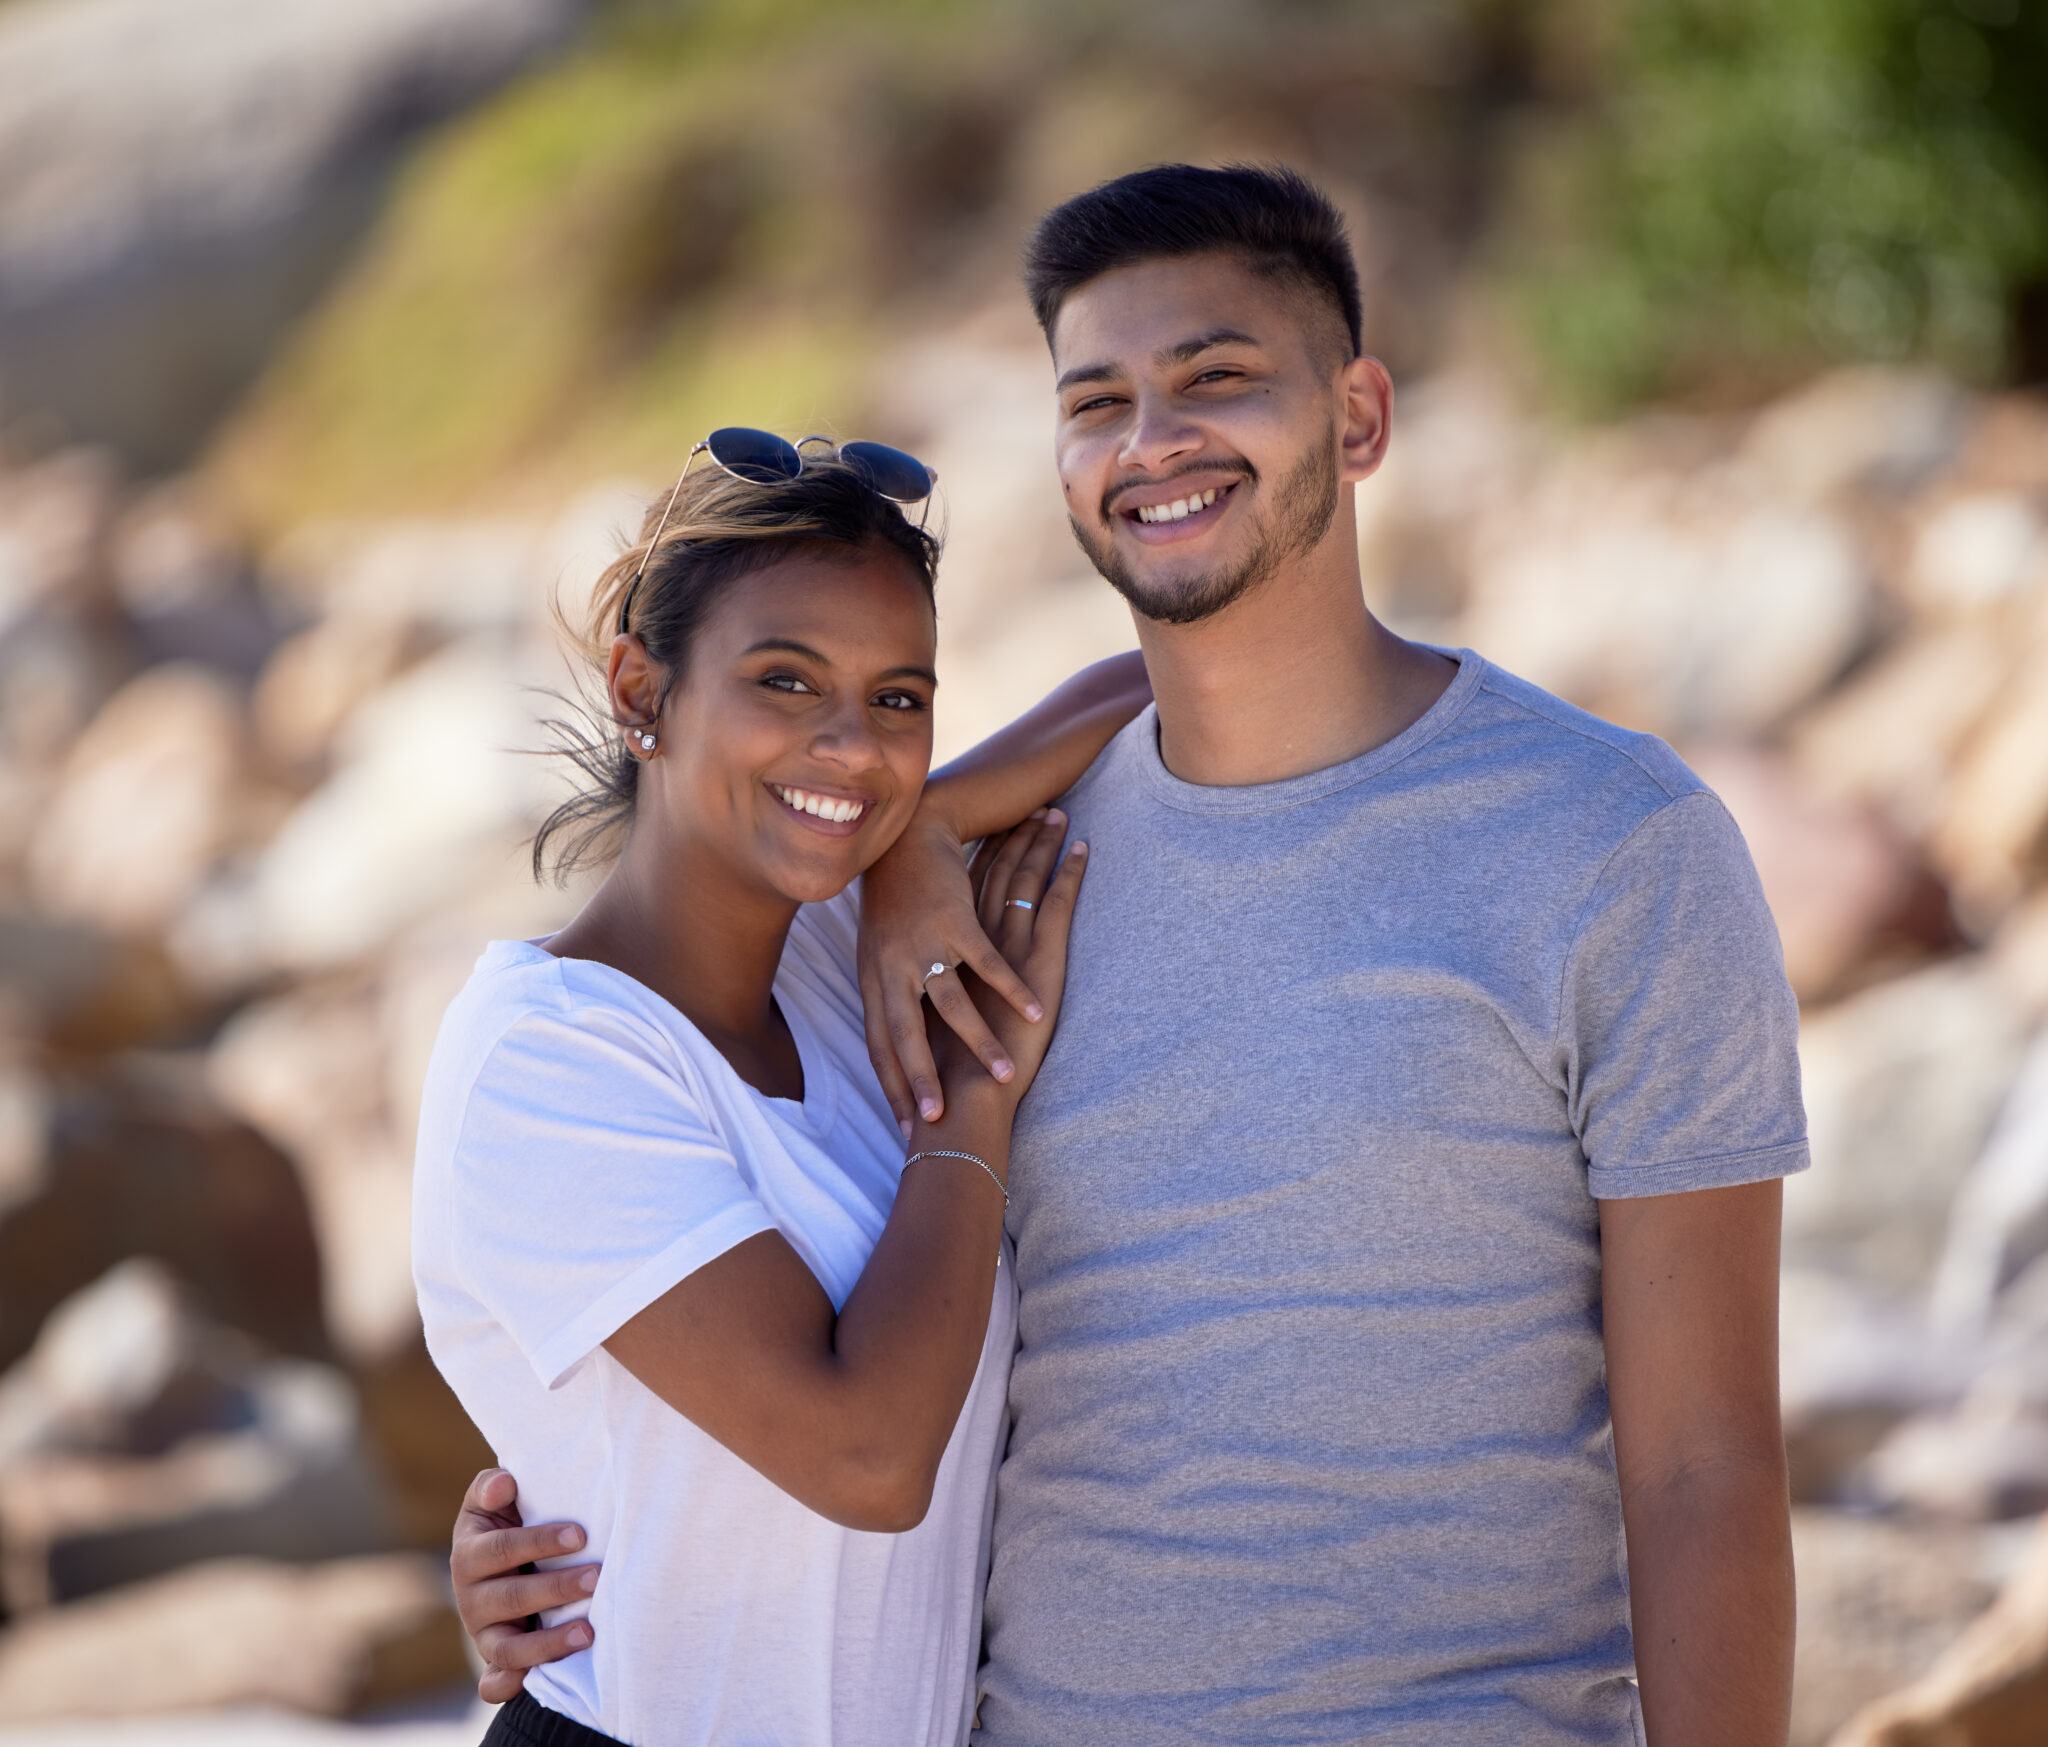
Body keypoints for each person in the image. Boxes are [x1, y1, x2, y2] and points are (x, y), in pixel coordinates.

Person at [455, 166, 1804, 1747]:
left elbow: (1706, 1467)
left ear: (1360, 418)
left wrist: (915, 842)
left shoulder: (1613, 849)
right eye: (1099, 402)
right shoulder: (982, 895)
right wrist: (530, 1548)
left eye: (1219, 378)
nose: (1153, 441)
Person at [413, 441, 1155, 1747]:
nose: (851, 748)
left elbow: (1158, 678)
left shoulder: (840, 958)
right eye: (785, 680)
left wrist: (925, 832)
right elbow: (865, 1459)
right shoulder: (545, 1064)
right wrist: (970, 1106)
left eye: (899, 698)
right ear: (642, 692)